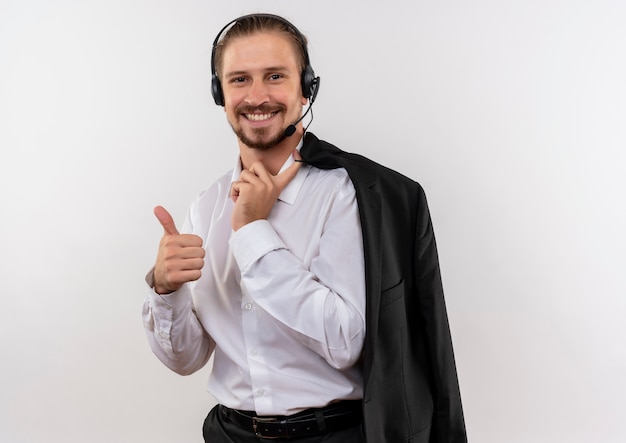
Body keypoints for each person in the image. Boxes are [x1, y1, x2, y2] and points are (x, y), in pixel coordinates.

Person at [143, 13, 467, 443]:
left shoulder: (347, 195)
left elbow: (344, 341)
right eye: (239, 79)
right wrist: (165, 289)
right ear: (219, 93)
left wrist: (254, 232)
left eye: (274, 76)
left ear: (306, 88)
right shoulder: (205, 208)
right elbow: (185, 359)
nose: (257, 96)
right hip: (229, 433)